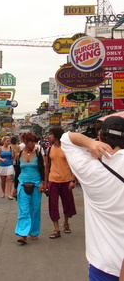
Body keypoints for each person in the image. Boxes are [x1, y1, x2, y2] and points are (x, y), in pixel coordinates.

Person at [61, 116, 124, 280]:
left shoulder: (90, 169)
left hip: (105, 264)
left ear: (100, 137)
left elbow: (66, 138)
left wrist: (90, 144)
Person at [44, 126, 76, 239]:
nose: (49, 136)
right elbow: (47, 166)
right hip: (53, 180)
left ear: (56, 135)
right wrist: (45, 182)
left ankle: (66, 222)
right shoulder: (49, 150)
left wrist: (73, 179)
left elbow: (74, 165)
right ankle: (56, 229)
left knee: (67, 203)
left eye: (51, 134)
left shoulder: (66, 149)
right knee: (53, 205)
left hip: (66, 180)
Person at [14, 132, 45, 244]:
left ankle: (34, 231)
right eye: (31, 141)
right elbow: (17, 172)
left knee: (35, 209)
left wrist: (43, 183)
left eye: (34, 141)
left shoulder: (37, 154)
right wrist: (14, 187)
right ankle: (22, 234)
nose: (33, 144)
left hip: (36, 185)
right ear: (25, 142)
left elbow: (42, 169)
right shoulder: (19, 155)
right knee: (24, 210)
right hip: (22, 185)